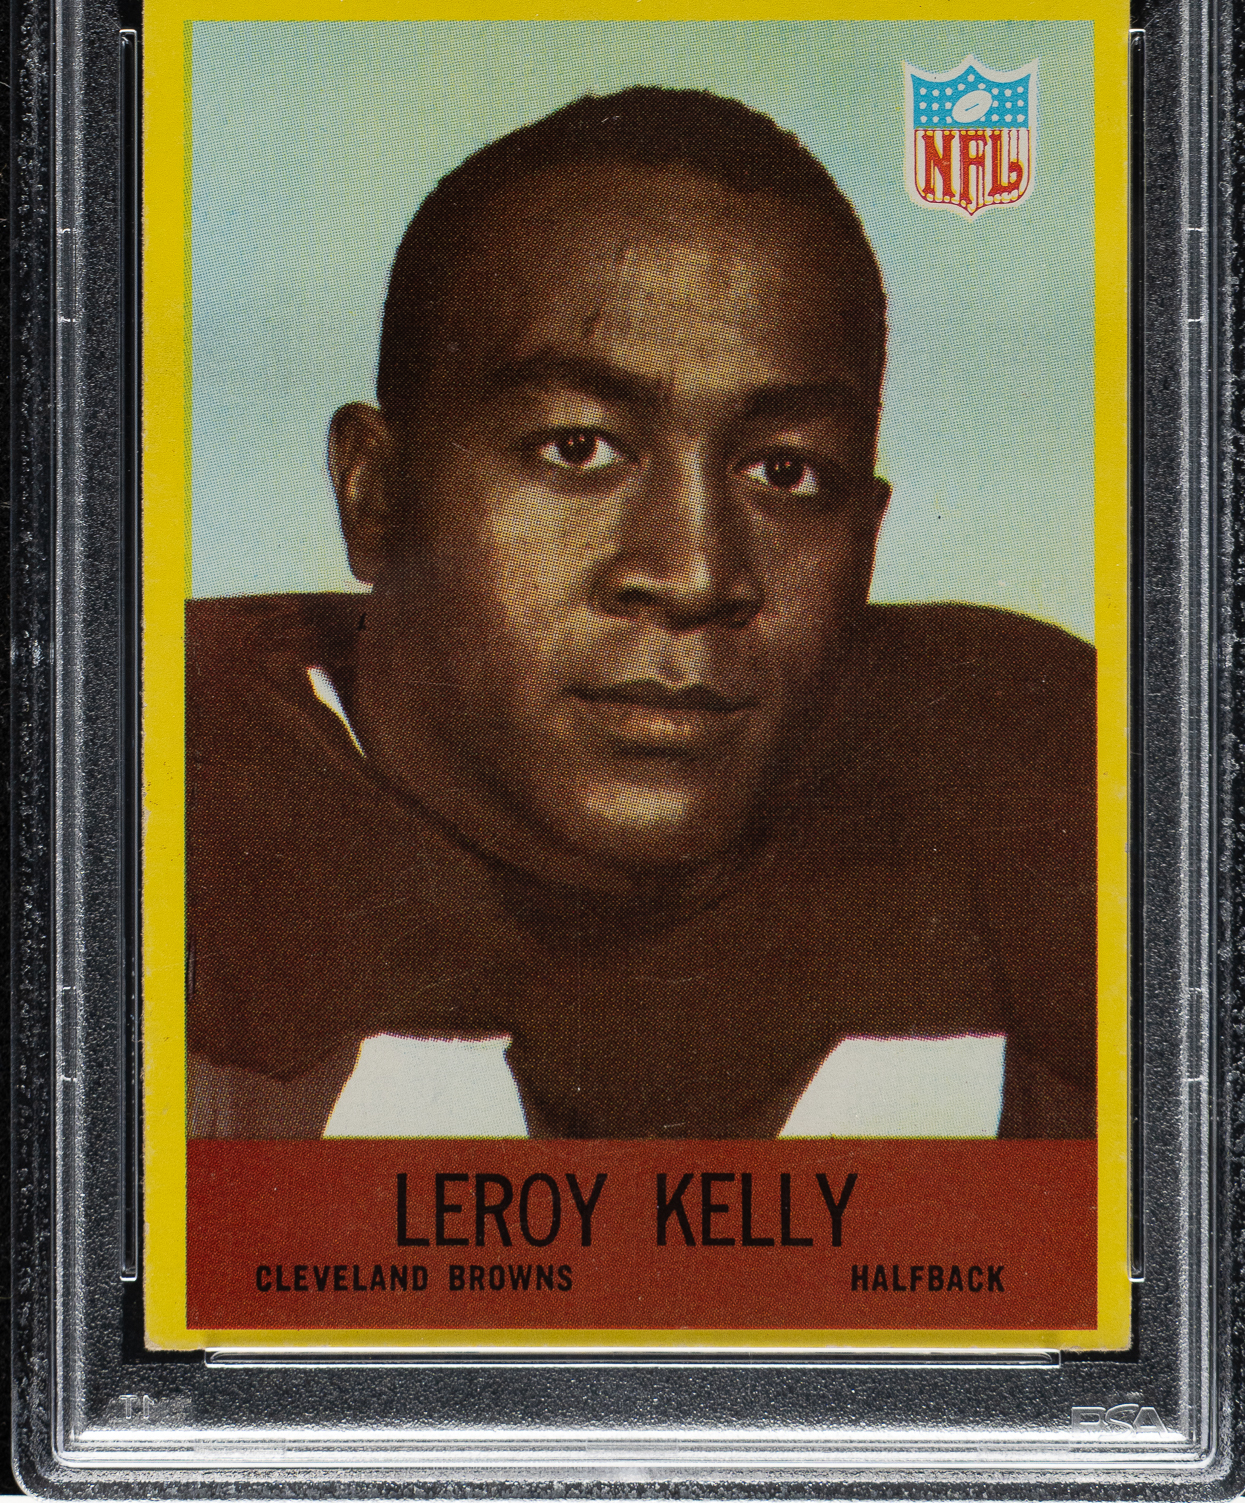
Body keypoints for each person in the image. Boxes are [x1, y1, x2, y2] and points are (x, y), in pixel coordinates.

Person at [186, 85, 1096, 1142]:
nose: (696, 573)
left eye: (785, 472)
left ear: (868, 529)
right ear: (376, 496)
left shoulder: (1032, 778)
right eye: (578, 449)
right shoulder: (144, 787)